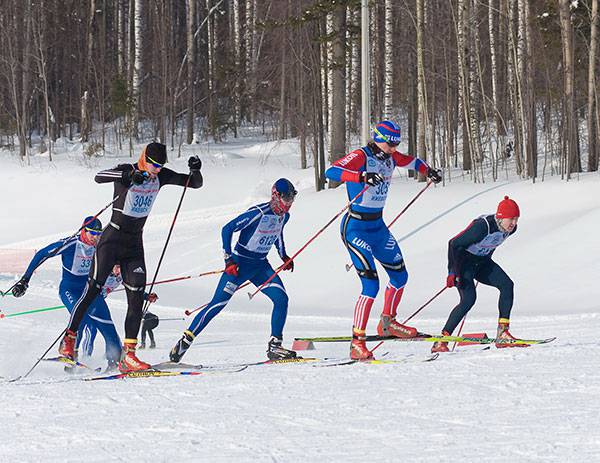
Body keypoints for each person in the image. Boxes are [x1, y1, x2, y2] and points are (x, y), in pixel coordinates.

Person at [58, 142, 203, 372]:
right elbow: (99, 176)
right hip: (111, 240)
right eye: (153, 164)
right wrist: (128, 175)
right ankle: (69, 339)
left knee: (136, 298)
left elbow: (194, 184)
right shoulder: (127, 170)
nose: (156, 169)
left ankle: (130, 356)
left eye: (160, 166)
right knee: (93, 290)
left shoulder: (161, 176)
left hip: (134, 244)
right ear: (145, 158)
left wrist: (195, 170)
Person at [324, 120, 442, 360]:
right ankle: (357, 342)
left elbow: (413, 161)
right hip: (355, 228)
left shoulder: (391, 157)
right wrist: (360, 176)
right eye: (390, 143)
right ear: (378, 138)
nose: (394, 147)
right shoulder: (362, 155)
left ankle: (388, 322)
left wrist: (427, 170)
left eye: (396, 143)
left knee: (400, 275)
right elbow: (331, 171)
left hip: (378, 228)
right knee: (371, 286)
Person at [170, 178, 297, 363]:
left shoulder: (284, 217)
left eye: (292, 198)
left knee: (281, 299)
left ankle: (275, 346)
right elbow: (227, 229)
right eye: (286, 198)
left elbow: (277, 234)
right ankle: (185, 341)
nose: (289, 203)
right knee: (218, 304)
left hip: (261, 266)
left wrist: (284, 256)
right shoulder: (258, 212)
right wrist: (228, 259)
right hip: (239, 266)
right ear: (276, 196)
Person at [12, 217, 122, 368]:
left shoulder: (100, 244)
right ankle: (69, 352)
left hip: (90, 290)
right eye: (92, 233)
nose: (95, 237)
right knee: (82, 319)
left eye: (98, 234)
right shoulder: (71, 243)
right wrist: (25, 280)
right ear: (84, 230)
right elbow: (42, 254)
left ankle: (115, 361)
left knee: (106, 323)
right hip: (70, 290)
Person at [431, 196, 524, 353]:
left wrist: (487, 256)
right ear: (501, 217)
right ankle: (442, 341)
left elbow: (493, 243)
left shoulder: (511, 229)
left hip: (482, 263)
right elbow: (454, 244)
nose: (514, 223)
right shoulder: (483, 226)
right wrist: (452, 272)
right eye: (511, 219)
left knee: (507, 285)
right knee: (468, 300)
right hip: (464, 263)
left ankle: (503, 334)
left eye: (516, 219)